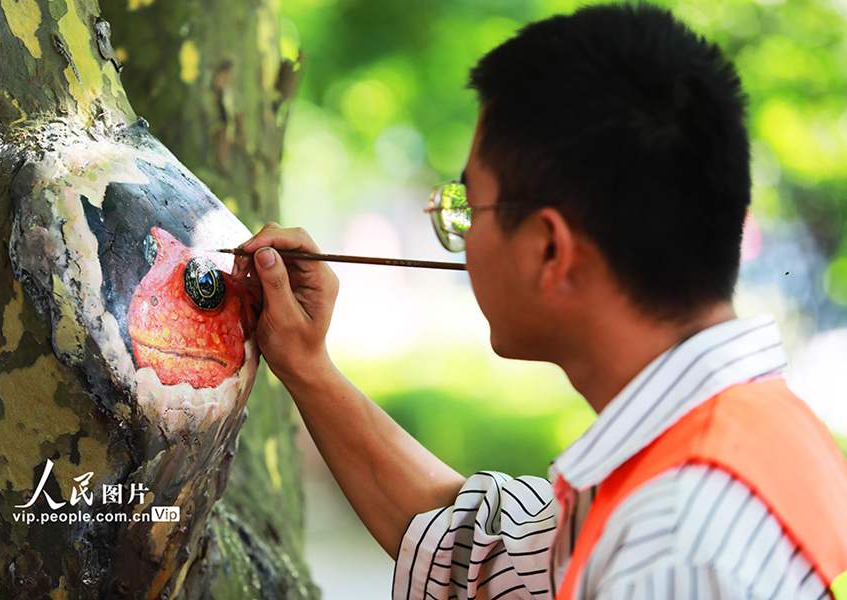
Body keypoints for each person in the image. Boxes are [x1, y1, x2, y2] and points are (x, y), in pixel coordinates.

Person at [235, 3, 847, 599]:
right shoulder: (737, 435)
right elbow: (480, 559)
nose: (463, 237)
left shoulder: (676, 542)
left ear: (550, 249)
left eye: (468, 207)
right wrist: (307, 366)